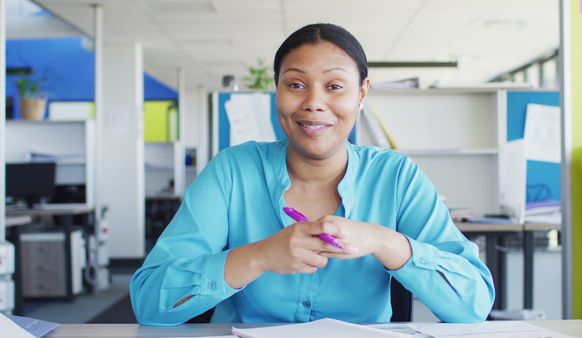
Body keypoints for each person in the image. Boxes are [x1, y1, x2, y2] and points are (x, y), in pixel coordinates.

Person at [130, 23, 494, 325]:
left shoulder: (396, 176)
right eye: (296, 84)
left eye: (335, 86)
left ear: (362, 93)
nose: (313, 103)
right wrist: (258, 256)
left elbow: (473, 305)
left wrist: (385, 241)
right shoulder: (232, 171)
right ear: (277, 89)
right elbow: (148, 303)